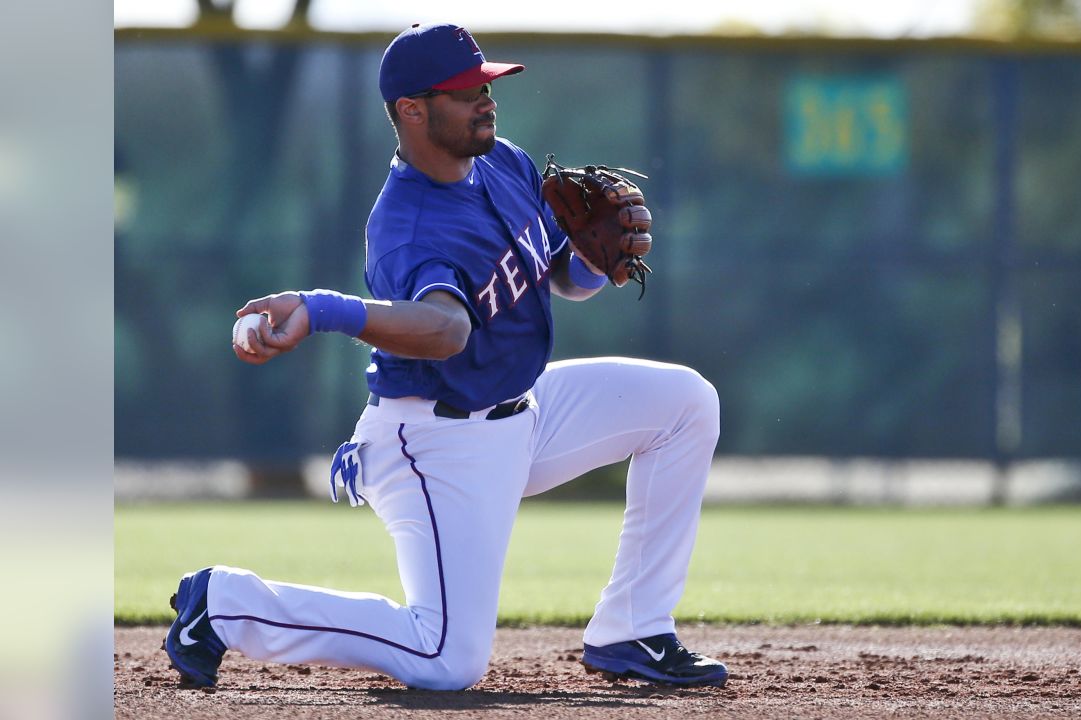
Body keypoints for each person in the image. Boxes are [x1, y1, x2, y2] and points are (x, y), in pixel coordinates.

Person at [164, 23, 728, 691]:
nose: (486, 101)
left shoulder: (506, 163)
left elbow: (560, 277)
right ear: (412, 109)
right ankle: (224, 604)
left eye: (486, 85)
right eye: (466, 93)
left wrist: (597, 261)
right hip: (437, 440)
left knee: (686, 405)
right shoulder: (407, 224)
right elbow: (444, 330)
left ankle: (632, 628)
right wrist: (322, 309)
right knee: (446, 659)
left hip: (524, 408)